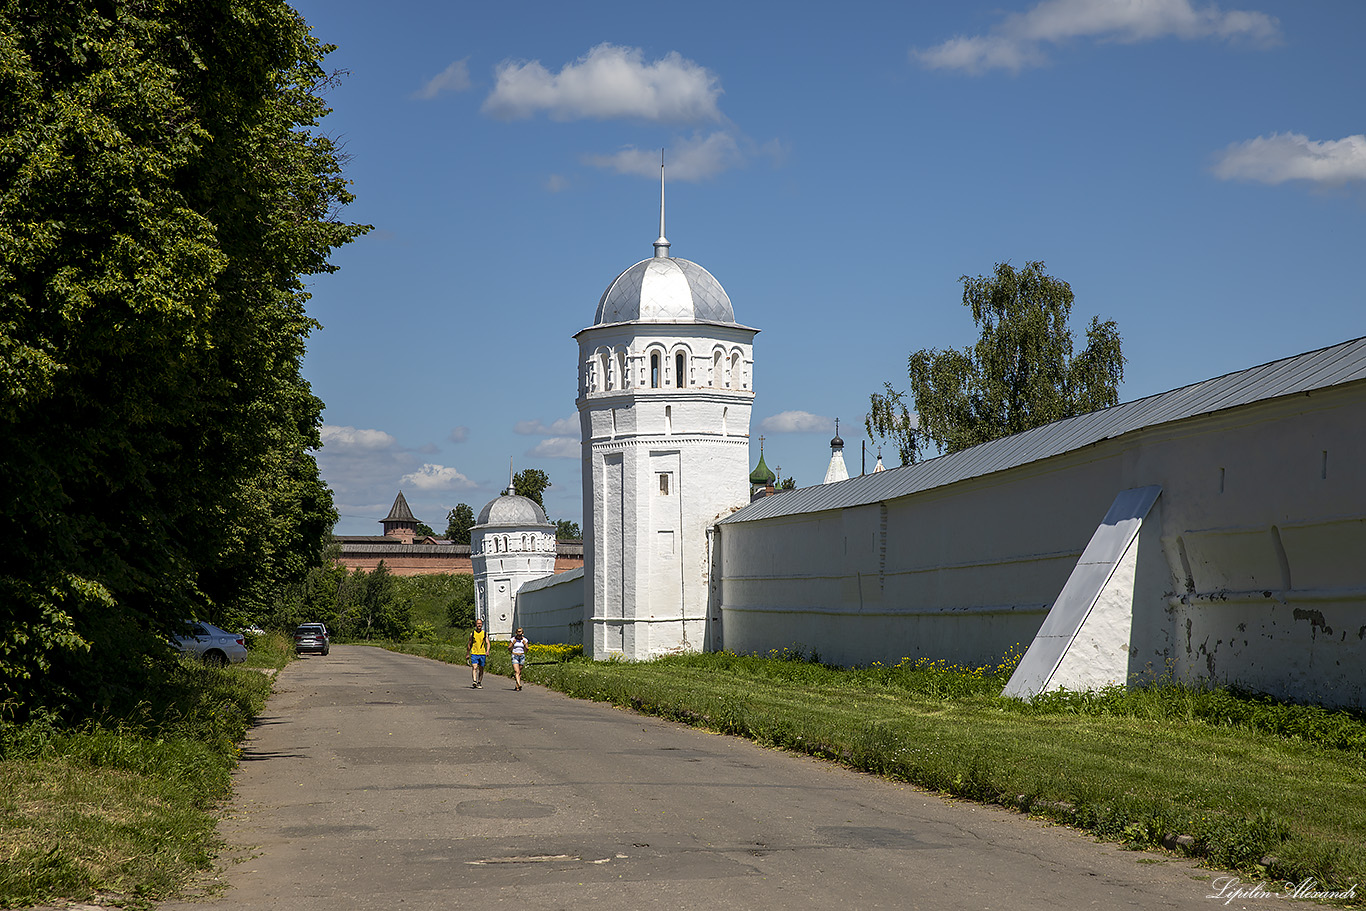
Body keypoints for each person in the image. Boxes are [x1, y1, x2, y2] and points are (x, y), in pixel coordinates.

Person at [467, 618, 488, 688]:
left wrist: (487, 651)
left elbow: (488, 643)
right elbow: (469, 644)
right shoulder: (472, 634)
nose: (479, 625)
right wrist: (467, 653)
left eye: (480, 624)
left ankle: (479, 682)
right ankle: (474, 681)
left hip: (482, 653)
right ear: (476, 624)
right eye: (478, 623)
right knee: (474, 667)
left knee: (481, 668)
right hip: (474, 653)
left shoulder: (484, 634)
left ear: (482, 625)